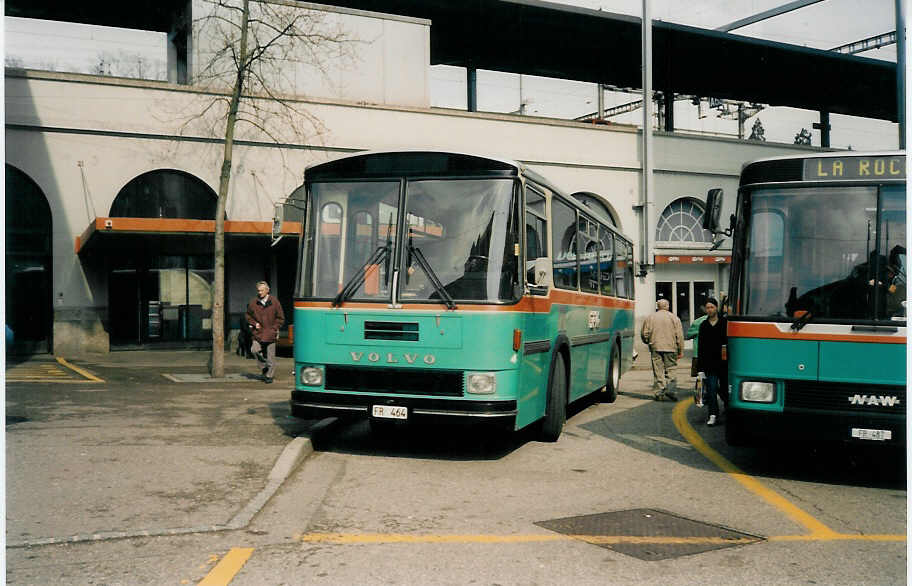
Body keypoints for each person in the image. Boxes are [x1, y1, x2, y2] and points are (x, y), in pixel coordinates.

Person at [641, 298, 684, 401]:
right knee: (671, 369)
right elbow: (679, 335)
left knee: (658, 370)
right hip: (671, 347)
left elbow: (644, 333)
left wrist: (648, 341)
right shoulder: (674, 318)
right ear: (668, 306)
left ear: (658, 307)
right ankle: (671, 391)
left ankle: (659, 392)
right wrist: (680, 350)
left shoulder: (650, 318)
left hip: (655, 346)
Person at [246, 281, 285, 384]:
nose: (259, 292)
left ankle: (269, 376)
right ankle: (264, 367)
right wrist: (254, 323)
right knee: (254, 350)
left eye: (262, 290)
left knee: (271, 356)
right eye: (258, 290)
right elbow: (248, 316)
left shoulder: (275, 302)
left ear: (267, 290)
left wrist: (274, 328)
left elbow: (280, 318)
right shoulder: (253, 302)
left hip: (270, 332)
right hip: (258, 333)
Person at [697, 297, 728, 426]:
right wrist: (700, 368)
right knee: (712, 389)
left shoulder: (724, 323)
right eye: (707, 308)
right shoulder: (704, 325)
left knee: (725, 389)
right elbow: (701, 347)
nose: (709, 310)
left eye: (712, 307)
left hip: (724, 362)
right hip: (709, 363)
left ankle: (728, 408)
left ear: (716, 308)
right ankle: (713, 414)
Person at [685, 303, 708, 378]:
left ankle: (700, 386)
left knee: (700, 375)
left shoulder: (697, 322)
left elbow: (688, 336)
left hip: (698, 354)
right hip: (713, 355)